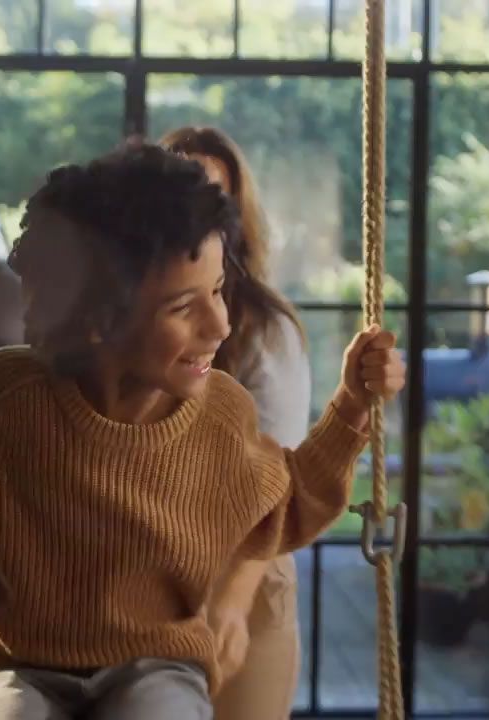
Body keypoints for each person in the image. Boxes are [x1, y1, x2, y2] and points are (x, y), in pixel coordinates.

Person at [0, 141, 405, 720]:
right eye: (184, 307)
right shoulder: (6, 399)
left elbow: (289, 506)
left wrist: (352, 407)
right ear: (94, 319)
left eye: (217, 291)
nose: (220, 324)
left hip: (158, 665)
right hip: (16, 666)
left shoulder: (219, 416)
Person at [160, 125, 309, 720]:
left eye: (214, 198)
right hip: (150, 581)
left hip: (244, 577)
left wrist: (234, 600)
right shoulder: (120, 325)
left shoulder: (263, 330)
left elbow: (280, 477)